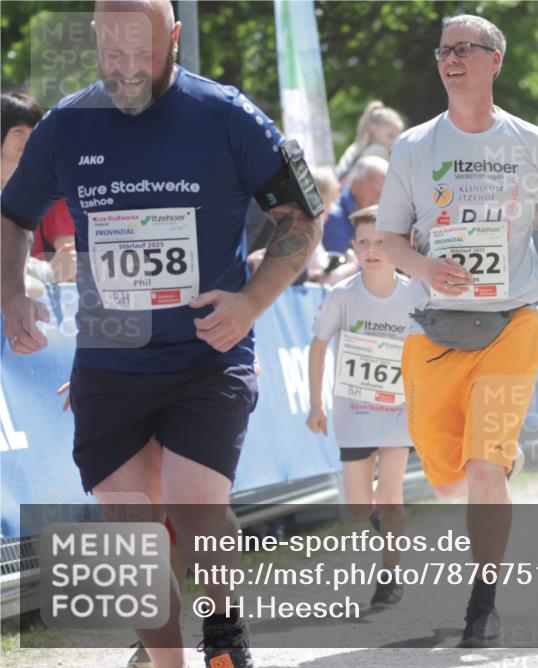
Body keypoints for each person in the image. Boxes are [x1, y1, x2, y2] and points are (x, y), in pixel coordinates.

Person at [0, 1, 324, 666]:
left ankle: (226, 637)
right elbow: (12, 214)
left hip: (209, 351)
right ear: (93, 39)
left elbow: (301, 216)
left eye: (141, 55)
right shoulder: (65, 126)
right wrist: (10, 292)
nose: (124, 72)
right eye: (110, 55)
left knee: (195, 503)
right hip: (112, 361)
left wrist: (253, 301)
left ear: (175, 38)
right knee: (128, 532)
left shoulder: (226, 115)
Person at [375, 14, 538, 646]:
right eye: (443, 50)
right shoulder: (415, 146)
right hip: (434, 331)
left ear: (494, 60)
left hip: (512, 324)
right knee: (448, 474)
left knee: (482, 468)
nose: (450, 59)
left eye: (464, 49)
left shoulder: (530, 142)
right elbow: (388, 239)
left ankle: (483, 601)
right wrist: (423, 265)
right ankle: (498, 461)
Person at [305, 205, 425, 608]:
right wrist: (315, 403)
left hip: (397, 410)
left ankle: (390, 575)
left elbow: (429, 350)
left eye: (381, 242)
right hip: (353, 411)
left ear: (398, 245)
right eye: (364, 243)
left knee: (390, 494)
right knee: (359, 507)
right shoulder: (342, 295)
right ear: (353, 248)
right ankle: (377, 515)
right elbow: (319, 344)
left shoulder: (414, 292)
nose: (372, 250)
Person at [1, 93, 77, 284]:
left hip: (44, 306)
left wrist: (67, 262)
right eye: (17, 131)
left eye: (34, 130)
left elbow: (69, 253)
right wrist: (48, 271)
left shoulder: (50, 192)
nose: (28, 138)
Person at [322, 155, 387, 254]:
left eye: (385, 195)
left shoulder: (372, 220)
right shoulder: (333, 219)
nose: (379, 200)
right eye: (375, 191)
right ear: (354, 185)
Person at [333, 100, 405, 183]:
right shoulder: (379, 150)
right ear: (373, 129)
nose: (393, 142)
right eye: (390, 135)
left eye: (397, 138)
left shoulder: (356, 146)